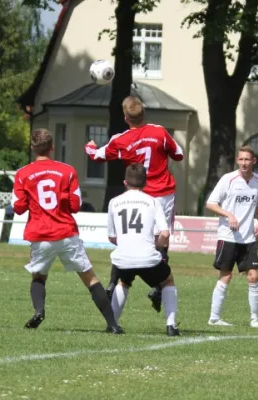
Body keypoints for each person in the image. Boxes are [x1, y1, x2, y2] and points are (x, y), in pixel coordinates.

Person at [12, 128, 123, 334]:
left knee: (38, 277)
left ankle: (39, 311)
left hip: (41, 234)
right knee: (90, 278)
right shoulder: (67, 170)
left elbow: (18, 207)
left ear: (32, 148)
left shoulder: (22, 174)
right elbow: (75, 205)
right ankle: (113, 324)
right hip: (65, 232)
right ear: (52, 147)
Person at [84, 95, 184, 312]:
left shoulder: (121, 139)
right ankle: (159, 284)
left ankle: (114, 281)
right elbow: (179, 154)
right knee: (162, 238)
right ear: (144, 113)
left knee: (129, 238)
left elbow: (97, 156)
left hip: (138, 195)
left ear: (125, 117)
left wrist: (90, 146)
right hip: (163, 193)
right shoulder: (159, 132)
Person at [107, 163, 180, 336]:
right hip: (148, 256)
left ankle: (113, 323)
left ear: (125, 182)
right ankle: (171, 326)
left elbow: (111, 237)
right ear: (145, 183)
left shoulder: (114, 202)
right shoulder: (153, 201)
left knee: (123, 282)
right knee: (168, 280)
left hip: (123, 257)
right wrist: (156, 246)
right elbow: (164, 233)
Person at [205, 145, 258, 328]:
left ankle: (255, 320)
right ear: (237, 160)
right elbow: (210, 204)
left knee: (253, 277)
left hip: (248, 239)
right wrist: (228, 215)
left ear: (254, 161)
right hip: (228, 236)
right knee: (226, 276)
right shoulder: (228, 179)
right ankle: (214, 318)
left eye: (248, 159)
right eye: (241, 159)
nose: (244, 163)